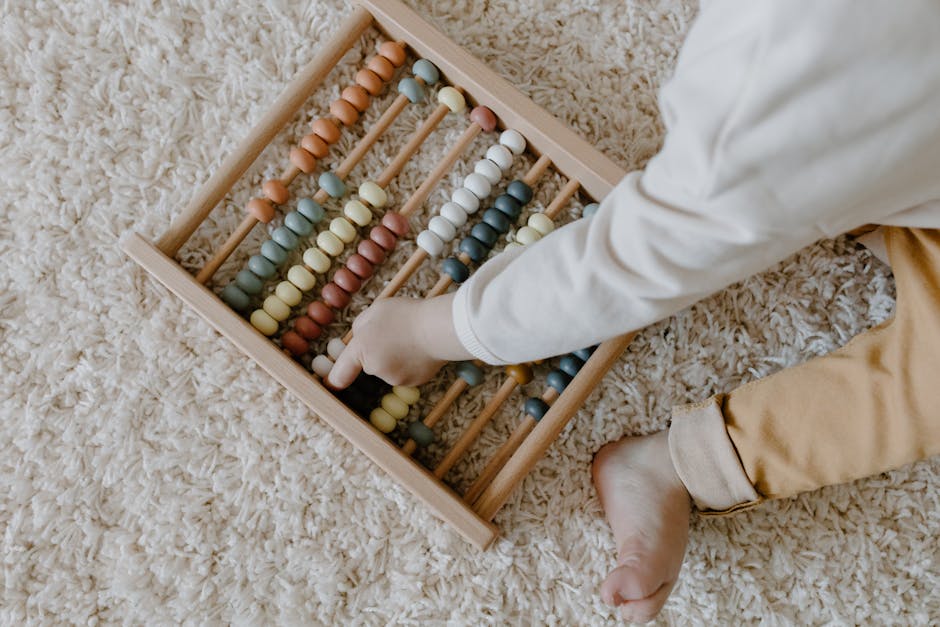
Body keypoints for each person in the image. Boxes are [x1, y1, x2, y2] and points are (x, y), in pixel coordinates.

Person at [327, 1, 940, 621]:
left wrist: (436, 329)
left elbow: (640, 258)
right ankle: (853, 190)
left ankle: (678, 465)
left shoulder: (769, 85)